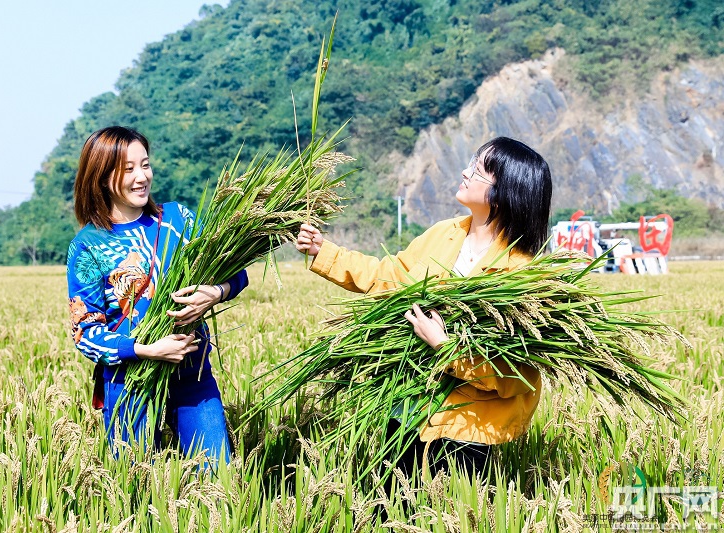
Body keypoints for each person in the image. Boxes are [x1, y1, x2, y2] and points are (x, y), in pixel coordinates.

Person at [295, 136, 552, 479]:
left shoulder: (522, 275)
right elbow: (389, 276)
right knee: (390, 501)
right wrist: (324, 251)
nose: (465, 172)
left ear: (503, 191)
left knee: (449, 507)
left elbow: (516, 374)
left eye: (477, 170)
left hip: (467, 425)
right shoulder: (444, 234)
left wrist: (445, 347)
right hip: (408, 408)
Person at [67, 126, 248, 465]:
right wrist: (147, 350)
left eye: (145, 165)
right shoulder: (88, 245)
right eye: (128, 169)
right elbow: (85, 333)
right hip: (129, 382)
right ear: (101, 177)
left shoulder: (178, 221)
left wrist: (215, 292)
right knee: (133, 483)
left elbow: (235, 272)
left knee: (217, 473)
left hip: (191, 373)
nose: (141, 177)